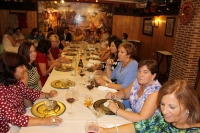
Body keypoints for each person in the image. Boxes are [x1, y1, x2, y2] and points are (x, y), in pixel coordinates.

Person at [100, 79, 200, 133]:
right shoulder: (163, 118)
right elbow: (139, 127)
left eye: (172, 107)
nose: (164, 111)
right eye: (162, 104)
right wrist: (106, 131)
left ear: (188, 107)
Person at [0, 52, 63, 133]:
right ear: (9, 69)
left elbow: (30, 93)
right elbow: (14, 118)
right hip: (10, 128)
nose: (24, 69)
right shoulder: (1, 92)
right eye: (21, 66)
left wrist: (48, 94)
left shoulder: (16, 82)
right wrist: (44, 121)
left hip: (23, 119)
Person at [95, 42, 138, 108]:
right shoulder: (121, 62)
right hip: (116, 92)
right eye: (118, 52)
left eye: (122, 52)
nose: (119, 54)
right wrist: (108, 65)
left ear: (129, 54)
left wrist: (106, 84)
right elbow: (111, 76)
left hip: (125, 98)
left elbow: (125, 86)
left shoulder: (134, 65)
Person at [18, 41, 42, 107]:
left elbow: (38, 80)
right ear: (24, 54)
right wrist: (31, 108)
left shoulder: (33, 64)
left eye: (34, 51)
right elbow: (24, 94)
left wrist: (42, 93)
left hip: (38, 96)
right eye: (30, 52)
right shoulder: (24, 70)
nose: (34, 54)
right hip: (31, 102)